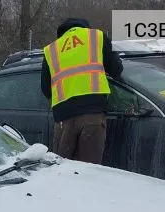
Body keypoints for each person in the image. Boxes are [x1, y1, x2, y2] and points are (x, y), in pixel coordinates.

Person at [41, 18, 123, 164]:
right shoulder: (96, 37)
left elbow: (45, 89)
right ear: (85, 27)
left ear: (61, 33)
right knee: (88, 171)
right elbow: (116, 69)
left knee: (62, 170)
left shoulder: (51, 49)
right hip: (92, 115)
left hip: (63, 118)